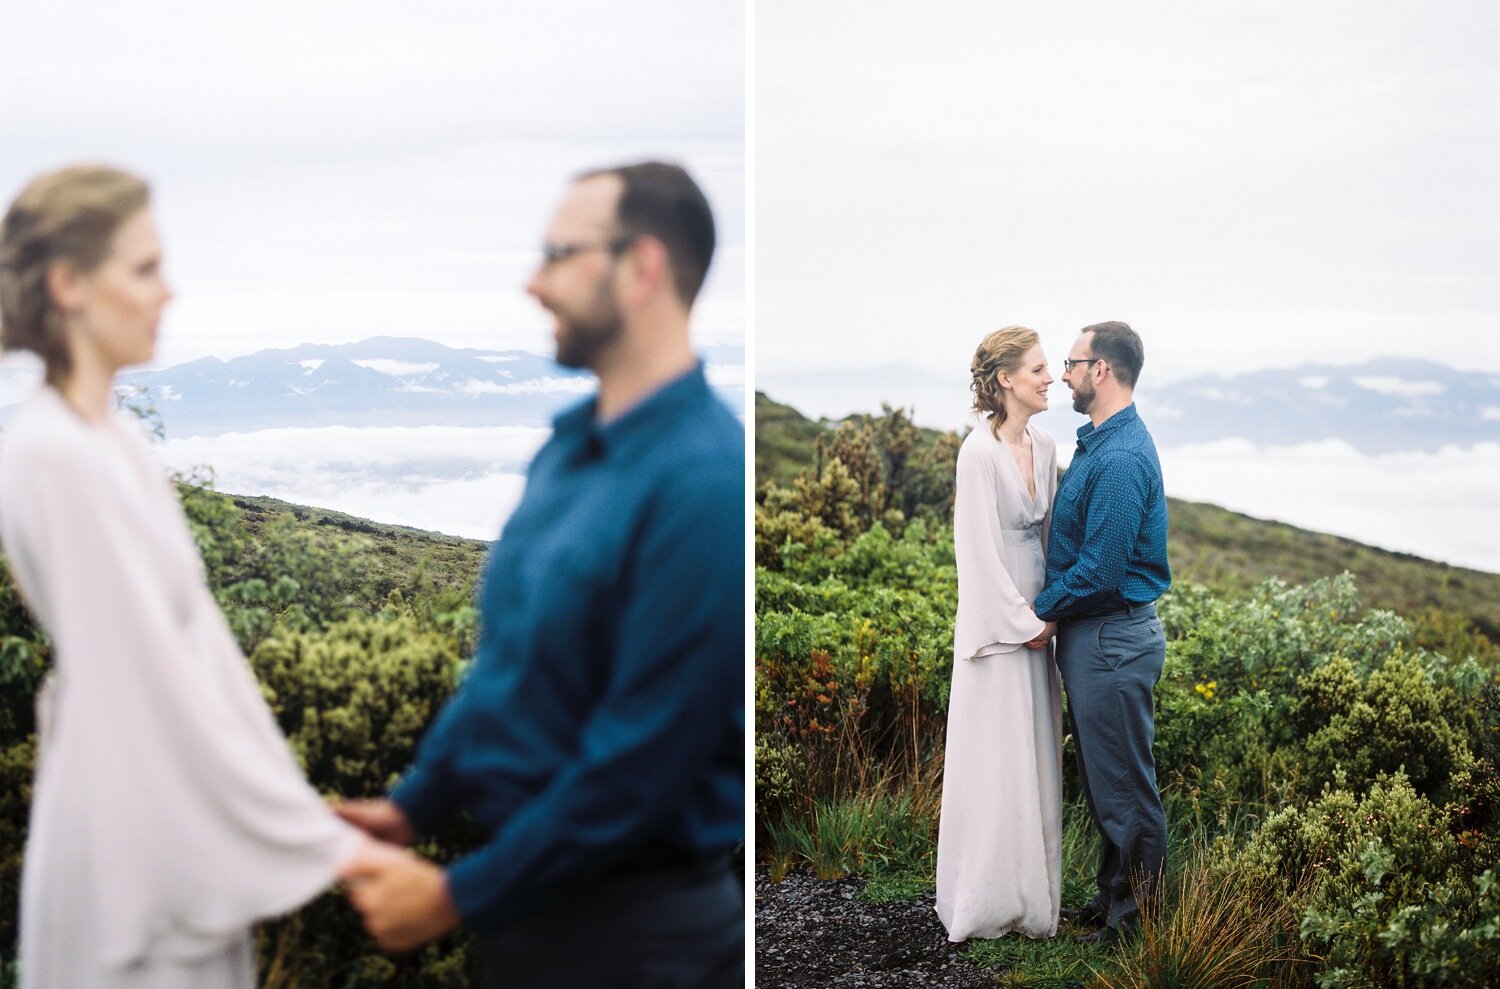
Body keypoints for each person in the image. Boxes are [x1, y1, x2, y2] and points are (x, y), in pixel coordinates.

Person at [335, 162, 745, 987]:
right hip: (534, 922)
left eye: (559, 252)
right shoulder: (567, 450)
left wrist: (454, 894)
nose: (533, 281)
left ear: (643, 268)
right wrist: (412, 804)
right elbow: (508, 669)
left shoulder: (705, 480)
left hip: (641, 942)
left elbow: (638, 766)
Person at [0, 166, 381, 987]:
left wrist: (305, 818)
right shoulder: (51, 457)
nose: (167, 293)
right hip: (126, 829)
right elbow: (150, 683)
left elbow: (204, 651)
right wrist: (334, 851)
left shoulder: (118, 443)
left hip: (166, 815)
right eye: (144, 269)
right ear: (67, 284)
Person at [1032, 320, 1170, 948]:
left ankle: (1136, 925)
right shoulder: (1102, 442)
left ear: (1102, 370)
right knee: (1103, 779)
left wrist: (1040, 609)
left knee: (1124, 787)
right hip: (1099, 639)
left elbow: (1101, 569)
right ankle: (1114, 896)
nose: (1063, 374)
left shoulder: (1118, 458)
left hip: (1112, 639)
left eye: (1071, 362)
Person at [935, 326, 1062, 941]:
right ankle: (986, 901)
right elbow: (977, 556)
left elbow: (1051, 541)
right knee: (995, 758)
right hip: (1002, 625)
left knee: (1034, 754)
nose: (1049, 378)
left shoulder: (1046, 444)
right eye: (1037, 369)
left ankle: (1031, 898)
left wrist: (1054, 611)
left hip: (1043, 615)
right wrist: (1024, 625)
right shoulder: (976, 453)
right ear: (1006, 380)